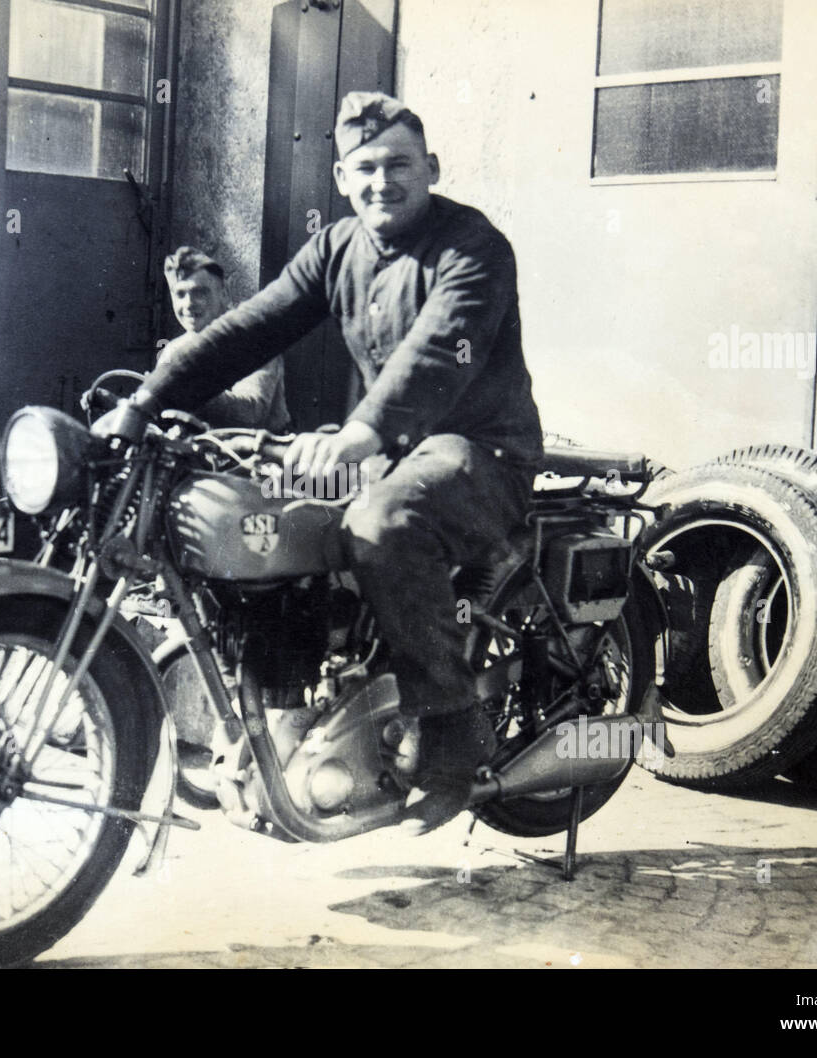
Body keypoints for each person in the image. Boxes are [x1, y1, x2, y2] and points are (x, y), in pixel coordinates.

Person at [96, 91, 544, 832]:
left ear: (430, 167)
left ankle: (453, 734)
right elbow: (246, 330)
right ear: (341, 179)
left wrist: (360, 433)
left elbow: (438, 354)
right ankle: (291, 709)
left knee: (381, 525)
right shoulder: (336, 249)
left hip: (482, 450)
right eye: (364, 168)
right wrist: (143, 404)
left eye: (399, 164)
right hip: (394, 451)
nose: (382, 182)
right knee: (273, 524)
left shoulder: (475, 247)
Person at [83, 247, 291, 432]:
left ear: (224, 293)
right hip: (199, 457)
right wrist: (119, 405)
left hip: (257, 460)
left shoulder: (253, 339)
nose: (188, 304)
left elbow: (252, 413)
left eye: (200, 292)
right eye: (180, 294)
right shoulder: (174, 350)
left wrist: (182, 388)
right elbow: (160, 420)